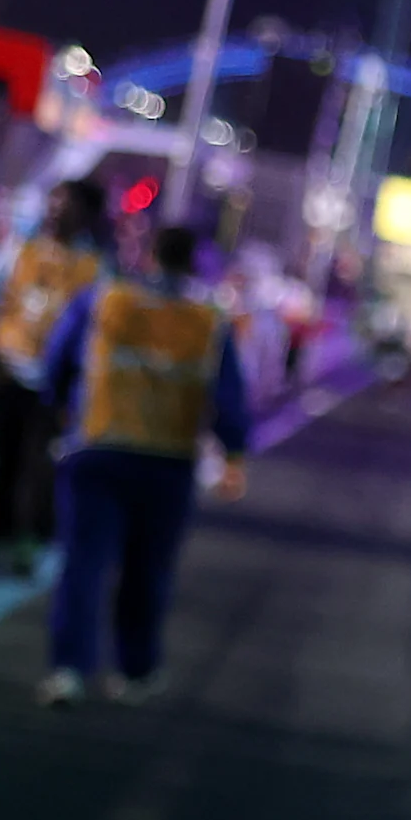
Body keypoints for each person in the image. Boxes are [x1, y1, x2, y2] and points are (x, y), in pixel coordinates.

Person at [34, 223, 250, 709]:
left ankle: (68, 670)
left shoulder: (104, 300)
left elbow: (57, 361)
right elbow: (230, 398)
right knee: (147, 571)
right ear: (193, 263)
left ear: (147, 255)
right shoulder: (208, 320)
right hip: (167, 461)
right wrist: (233, 455)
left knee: (83, 565)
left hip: (98, 448)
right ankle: (136, 671)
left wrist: (58, 409)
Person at [0, 181, 109, 575]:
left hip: (56, 383)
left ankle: (30, 538)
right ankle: (0, 537)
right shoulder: (20, 250)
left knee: (40, 463)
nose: (56, 210)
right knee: (6, 456)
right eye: (53, 200)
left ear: (86, 214)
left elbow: (98, 330)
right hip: (11, 369)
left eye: (66, 204)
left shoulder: (96, 269)